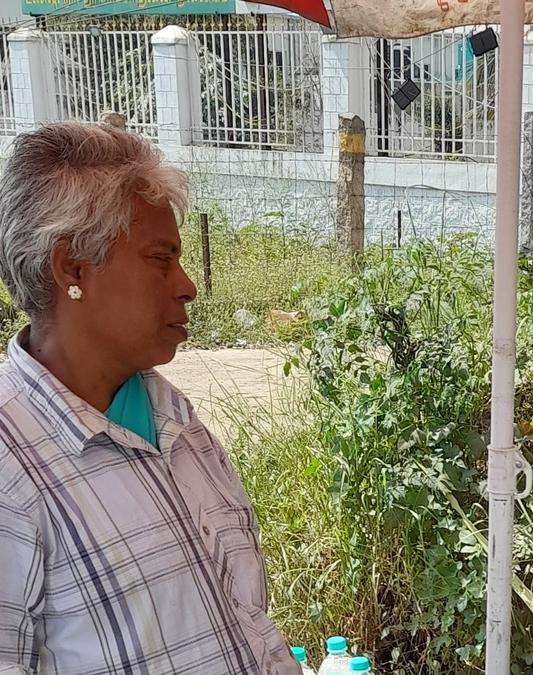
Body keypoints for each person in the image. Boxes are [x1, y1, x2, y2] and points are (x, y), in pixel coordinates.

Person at [0, 123, 300, 675]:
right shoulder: (11, 469)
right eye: (161, 259)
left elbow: (248, 625)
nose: (186, 285)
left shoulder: (178, 424)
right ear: (72, 268)